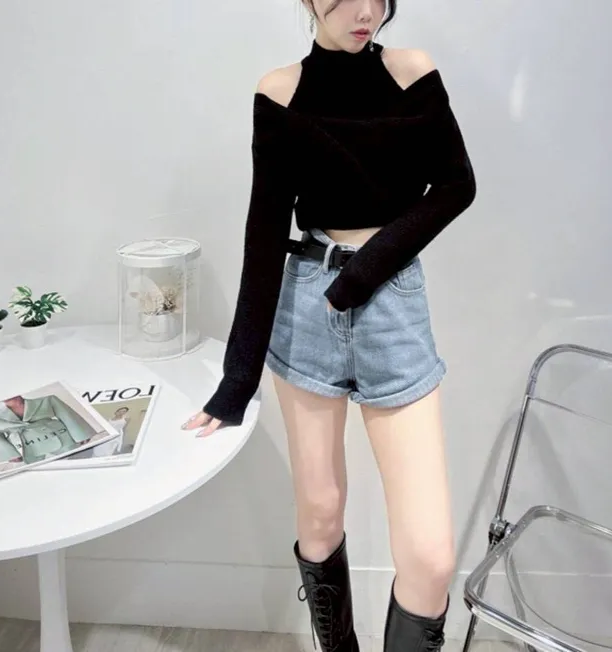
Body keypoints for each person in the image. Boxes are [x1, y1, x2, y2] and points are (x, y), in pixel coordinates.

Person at [182, 1, 476, 649]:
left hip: (391, 305)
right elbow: (265, 232)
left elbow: (457, 185)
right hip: (307, 307)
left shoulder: (411, 72)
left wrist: (363, 273)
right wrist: (237, 380)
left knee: (430, 558)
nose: (367, 11)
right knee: (319, 512)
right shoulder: (280, 92)